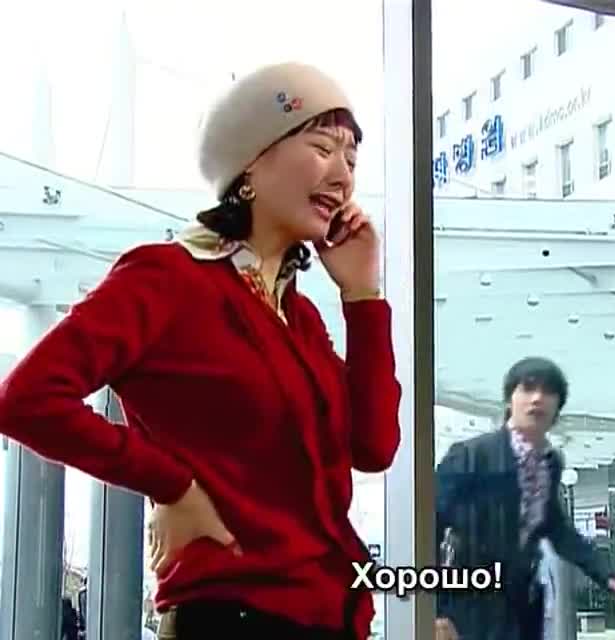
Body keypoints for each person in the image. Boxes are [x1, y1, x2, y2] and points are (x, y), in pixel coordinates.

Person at [0, 62, 401, 639]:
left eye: (352, 160)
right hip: (231, 618)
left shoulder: (299, 317)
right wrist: (172, 484)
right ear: (251, 164)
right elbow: (26, 400)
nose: (342, 177)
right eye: (321, 149)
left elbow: (374, 446)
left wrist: (362, 296)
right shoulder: (166, 278)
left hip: (331, 616)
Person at [435, 357, 615, 640]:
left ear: (557, 407)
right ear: (509, 400)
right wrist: (435, 609)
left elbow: (557, 529)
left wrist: (604, 572)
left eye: (548, 391)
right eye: (527, 388)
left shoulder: (549, 463)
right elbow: (429, 526)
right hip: (469, 605)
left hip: (522, 604)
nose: (537, 398)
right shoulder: (471, 455)